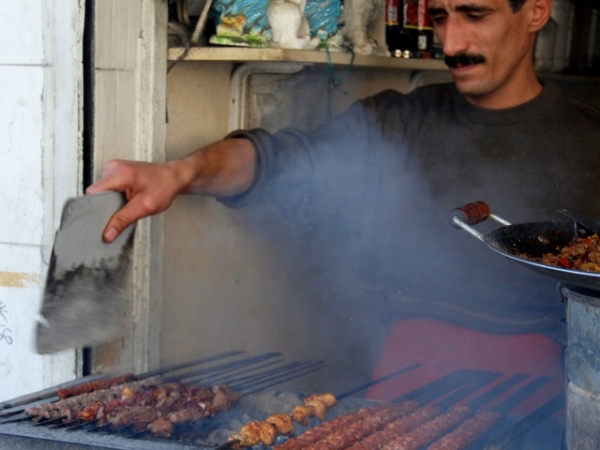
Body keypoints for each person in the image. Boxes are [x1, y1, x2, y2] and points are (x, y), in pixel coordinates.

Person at [89, 0, 600, 405]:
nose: (451, 41)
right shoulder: (399, 122)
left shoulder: (588, 139)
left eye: (475, 14)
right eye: (440, 16)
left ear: (535, 11)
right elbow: (284, 162)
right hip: (404, 383)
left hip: (544, 393)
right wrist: (180, 173)